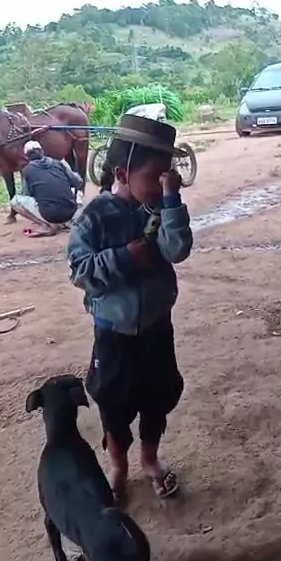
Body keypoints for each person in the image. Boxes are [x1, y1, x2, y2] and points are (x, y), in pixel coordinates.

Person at [67, 114, 193, 503]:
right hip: (114, 333)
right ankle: (118, 466)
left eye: (167, 176)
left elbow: (177, 249)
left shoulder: (160, 208)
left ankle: (150, 459)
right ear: (123, 173)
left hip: (156, 328)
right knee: (114, 402)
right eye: (155, 177)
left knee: (158, 396)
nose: (162, 185)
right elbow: (80, 272)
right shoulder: (93, 217)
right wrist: (125, 258)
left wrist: (172, 201)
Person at [11, 140, 83, 238]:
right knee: (78, 193)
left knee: (15, 201)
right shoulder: (58, 163)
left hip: (49, 214)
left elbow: (27, 194)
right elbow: (77, 181)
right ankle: (69, 220)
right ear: (42, 151)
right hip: (70, 212)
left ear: (27, 156)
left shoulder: (27, 170)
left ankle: (46, 225)